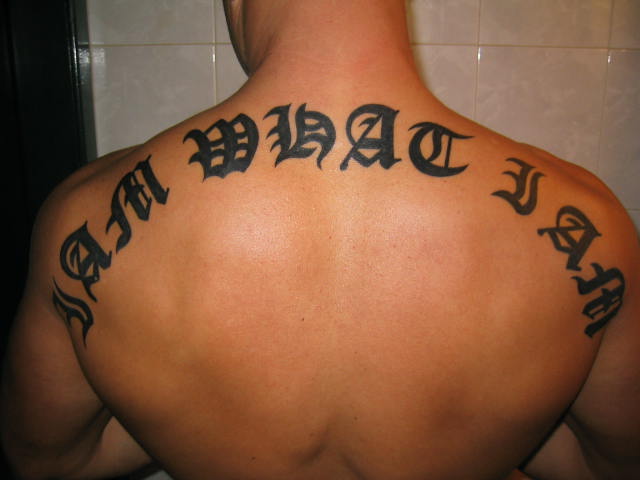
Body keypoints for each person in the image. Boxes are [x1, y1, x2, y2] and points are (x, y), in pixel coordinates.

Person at [2, 1, 639, 479]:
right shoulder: (593, 226)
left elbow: (50, 461)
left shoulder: (83, 220)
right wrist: (496, 429)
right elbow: (612, 463)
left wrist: (178, 418)